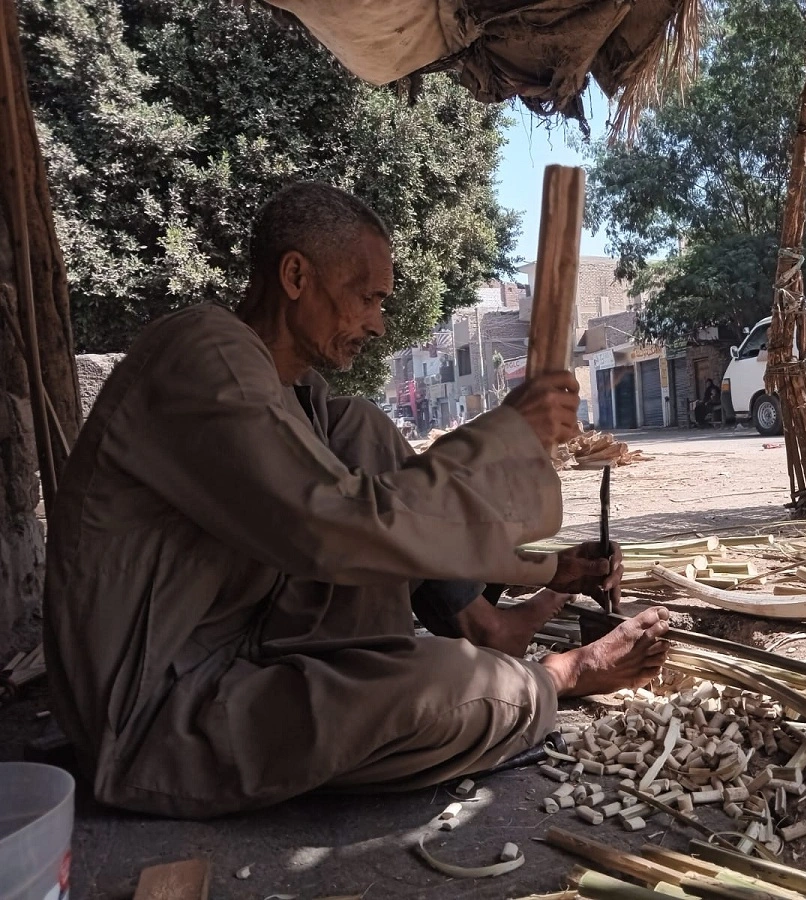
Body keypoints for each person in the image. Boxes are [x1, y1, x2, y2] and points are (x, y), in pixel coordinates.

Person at [43, 183, 670, 819]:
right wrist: (510, 434)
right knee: (459, 692)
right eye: (365, 297)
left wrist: (552, 568)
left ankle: (481, 622)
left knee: (360, 428)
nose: (377, 321)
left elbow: (376, 500)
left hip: (255, 643)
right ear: (295, 276)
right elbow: (334, 525)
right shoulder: (205, 354)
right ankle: (564, 676)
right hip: (163, 713)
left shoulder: (299, 394)